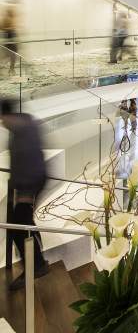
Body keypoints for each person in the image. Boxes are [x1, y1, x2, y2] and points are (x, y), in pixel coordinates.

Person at [1, 99, 49, 290]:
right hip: (24, 185)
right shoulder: (23, 127)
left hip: (29, 185)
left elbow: (31, 162)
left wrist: (25, 194)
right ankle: (36, 263)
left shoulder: (23, 132)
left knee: (18, 225)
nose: (2, 123)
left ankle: (37, 265)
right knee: (19, 223)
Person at [1, 5, 19, 75]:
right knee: (10, 55)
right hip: (10, 37)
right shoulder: (7, 19)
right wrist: (10, 28)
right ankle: (11, 69)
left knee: (11, 55)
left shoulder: (9, 18)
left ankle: (11, 69)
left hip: (10, 38)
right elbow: (3, 27)